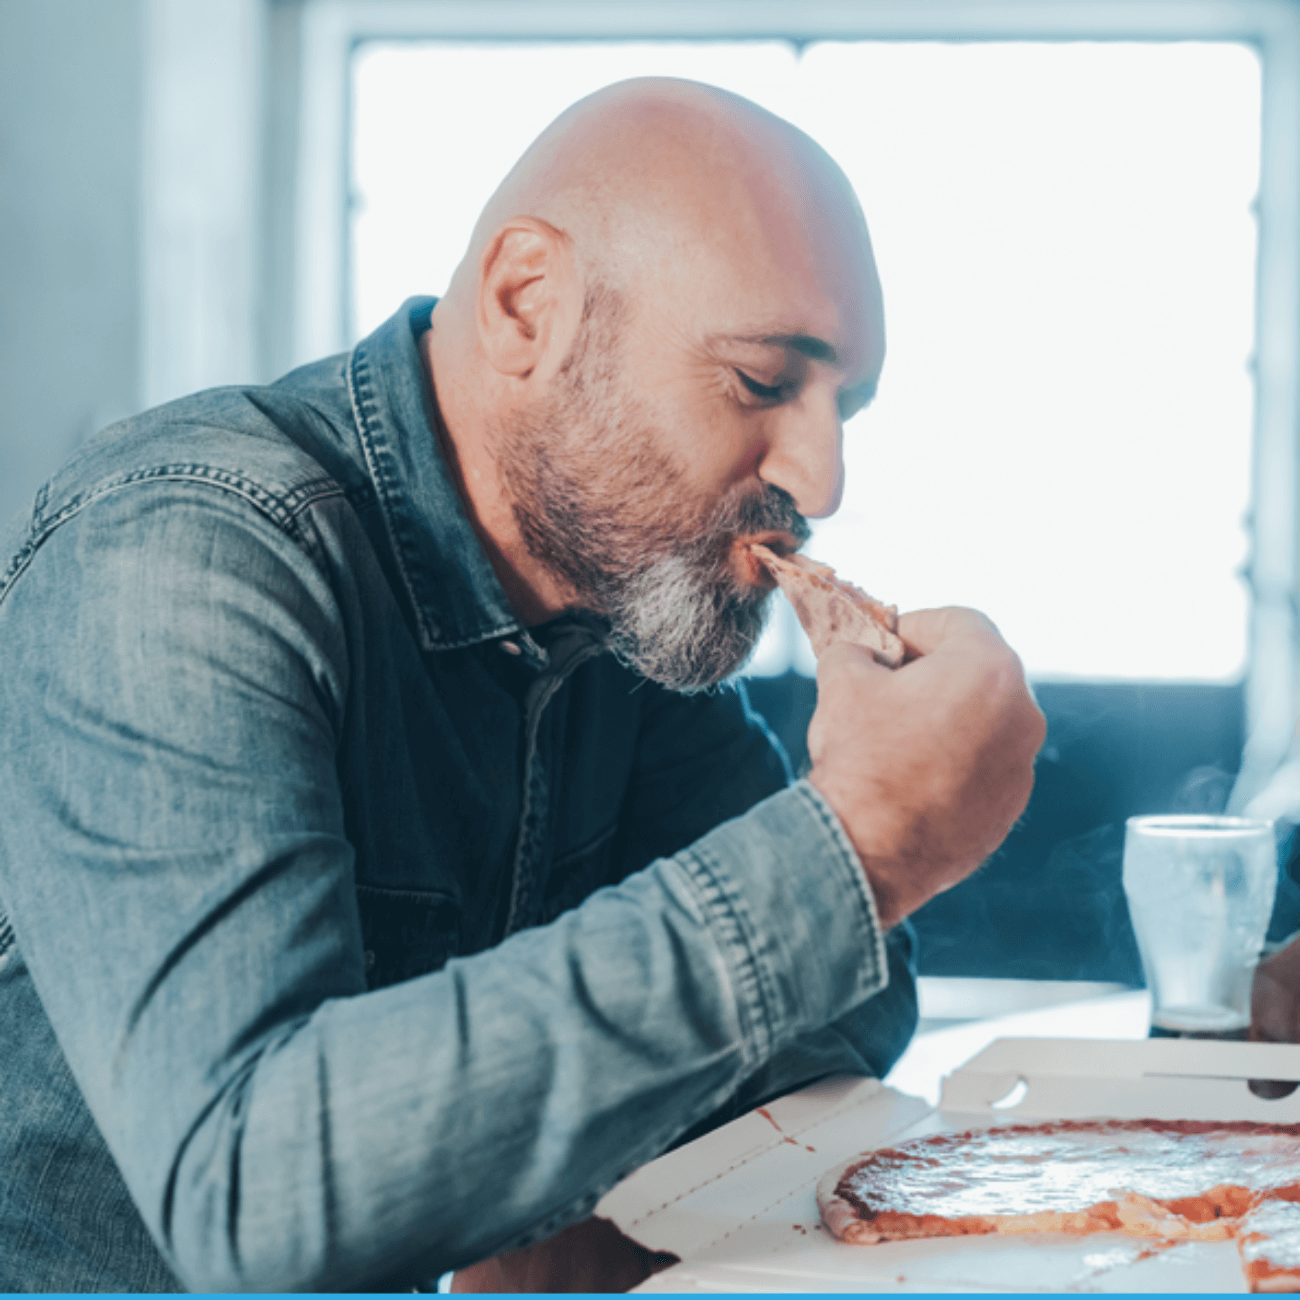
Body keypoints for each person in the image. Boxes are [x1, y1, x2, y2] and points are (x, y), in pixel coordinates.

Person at [0, 77, 1045, 1292]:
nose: (822, 480)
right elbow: (250, 1194)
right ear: (526, 304)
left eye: (843, 408)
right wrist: (860, 838)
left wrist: (550, 1185)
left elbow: (836, 1016)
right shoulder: (182, 550)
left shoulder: (622, 589)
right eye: (763, 382)